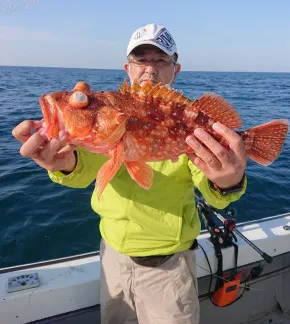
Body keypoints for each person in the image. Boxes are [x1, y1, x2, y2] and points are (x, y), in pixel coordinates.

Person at [12, 23, 247, 324]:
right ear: (128, 68)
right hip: (112, 260)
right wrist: (62, 164)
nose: (150, 69)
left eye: (160, 60)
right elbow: (82, 169)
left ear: (175, 70)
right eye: (141, 59)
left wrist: (228, 181)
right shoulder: (111, 115)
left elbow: (214, 189)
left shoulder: (181, 116)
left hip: (170, 270)